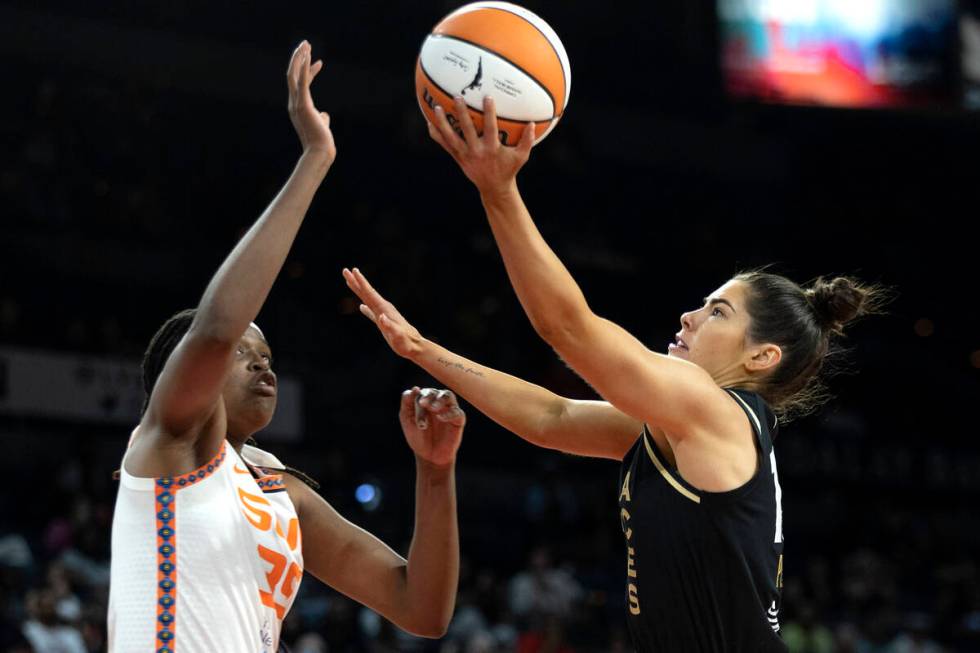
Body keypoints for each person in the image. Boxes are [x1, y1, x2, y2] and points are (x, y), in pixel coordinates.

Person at [343, 96, 885, 651]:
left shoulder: (715, 411)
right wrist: (421, 349)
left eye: (718, 311)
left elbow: (568, 329)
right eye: (703, 302)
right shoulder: (680, 427)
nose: (689, 315)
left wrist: (498, 191)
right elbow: (551, 416)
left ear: (762, 357)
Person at [107, 42, 464, 653]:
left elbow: (422, 607)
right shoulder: (167, 446)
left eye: (267, 354)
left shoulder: (279, 490)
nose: (261, 362)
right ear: (181, 375)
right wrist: (315, 160)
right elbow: (217, 326)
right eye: (244, 354)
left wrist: (435, 471)